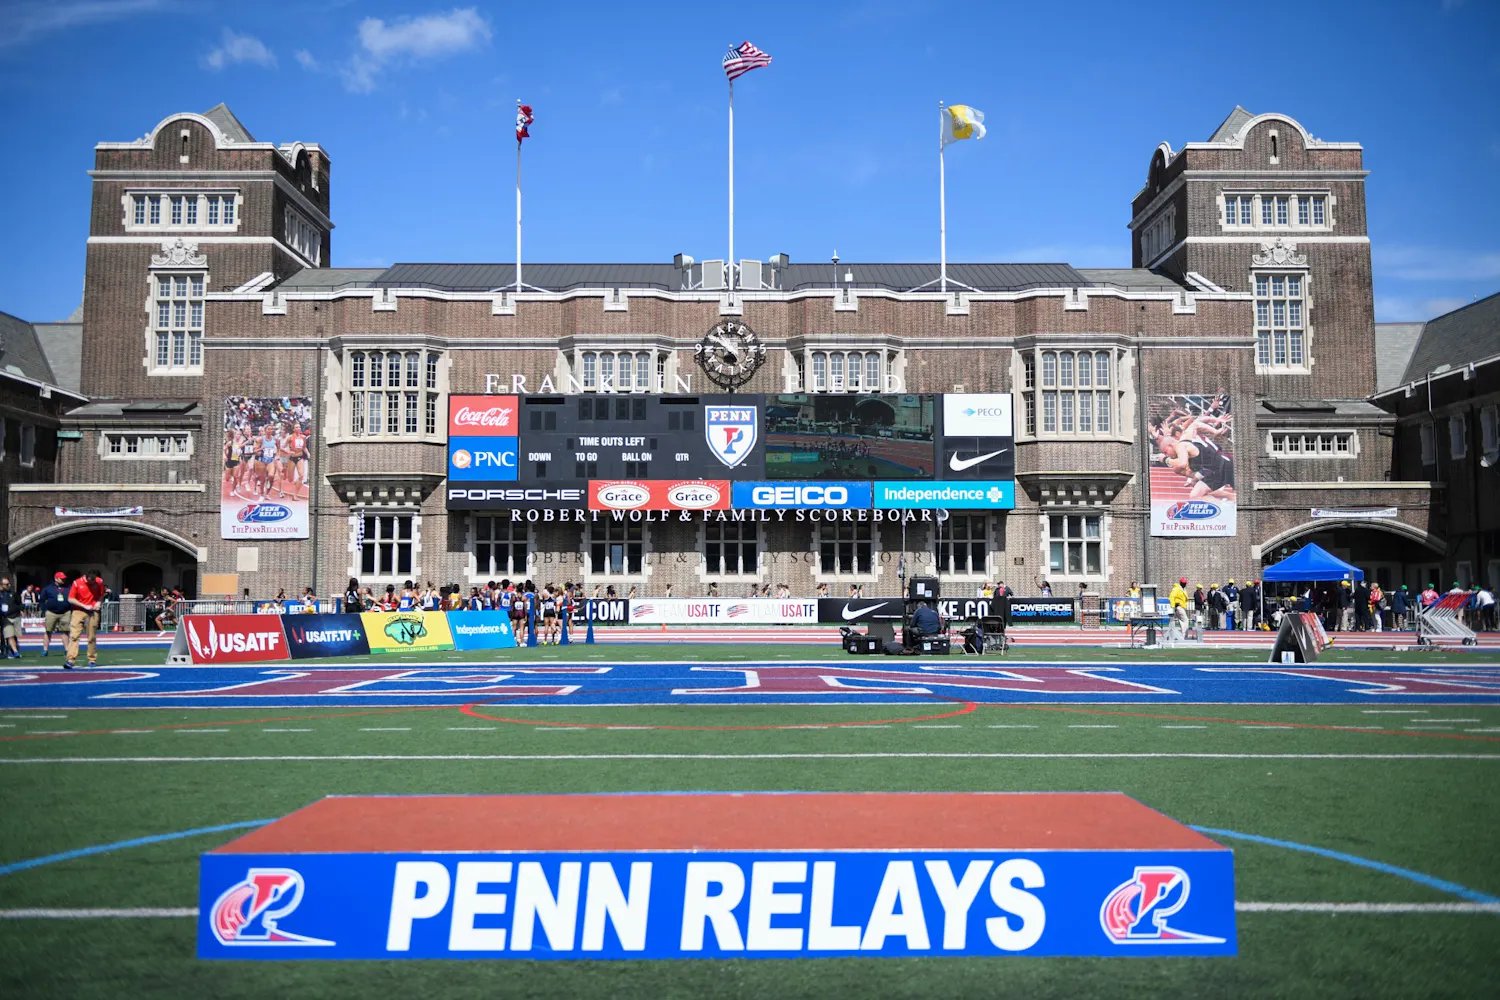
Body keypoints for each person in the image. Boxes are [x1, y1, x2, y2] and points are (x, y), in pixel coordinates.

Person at [65, 569, 106, 669]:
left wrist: (99, 602)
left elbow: (101, 595)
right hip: (78, 610)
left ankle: (92, 659)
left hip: (93, 610)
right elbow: (70, 598)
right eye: (90, 581)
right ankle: (71, 660)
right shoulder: (77, 583)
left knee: (91, 637)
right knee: (74, 635)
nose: (92, 583)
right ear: (85, 577)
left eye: (93, 581)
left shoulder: (99, 582)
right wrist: (84, 605)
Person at [39, 571, 73, 656]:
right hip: (51, 612)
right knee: (48, 631)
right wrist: (44, 610)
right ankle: (45, 650)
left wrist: (71, 608)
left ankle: (67, 650)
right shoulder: (48, 588)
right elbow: (42, 600)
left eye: (64, 578)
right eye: (62, 579)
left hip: (65, 612)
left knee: (65, 631)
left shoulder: (69, 587)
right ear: (56, 579)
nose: (64, 580)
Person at [0, 576, 19, 659]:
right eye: (7, 584)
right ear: (1, 585)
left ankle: (12, 651)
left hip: (7, 616)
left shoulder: (10, 593)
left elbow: (18, 602)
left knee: (10, 635)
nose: (9, 585)